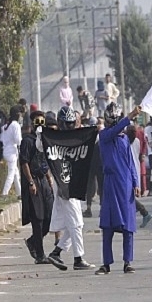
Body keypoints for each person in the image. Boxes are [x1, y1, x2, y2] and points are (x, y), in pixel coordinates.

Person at [47, 106, 95, 271]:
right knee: (76, 223)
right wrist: (46, 134)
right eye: (65, 124)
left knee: (73, 224)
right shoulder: (54, 138)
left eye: (70, 123)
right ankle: (78, 258)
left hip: (73, 183)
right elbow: (41, 146)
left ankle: (57, 252)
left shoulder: (75, 138)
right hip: (64, 185)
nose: (68, 127)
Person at [95, 103, 141, 275]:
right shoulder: (104, 136)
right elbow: (114, 130)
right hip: (110, 184)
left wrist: (136, 183)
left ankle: (127, 262)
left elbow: (131, 164)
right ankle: (106, 264)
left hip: (126, 184)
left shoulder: (124, 141)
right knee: (107, 226)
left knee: (128, 227)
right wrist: (129, 116)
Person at [20, 111, 56, 265]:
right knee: (38, 218)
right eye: (37, 122)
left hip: (44, 180)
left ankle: (33, 241)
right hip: (33, 181)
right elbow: (24, 162)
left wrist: (49, 178)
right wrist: (30, 182)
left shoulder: (44, 140)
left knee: (49, 217)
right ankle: (40, 255)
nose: (40, 125)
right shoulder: (27, 141)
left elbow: (45, 160)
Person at [125, 125, 152, 228]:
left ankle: (143, 212)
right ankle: (141, 212)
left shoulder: (126, 141)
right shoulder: (136, 141)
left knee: (128, 195)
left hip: (130, 170)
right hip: (135, 168)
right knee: (129, 195)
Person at [0, 105, 23, 197]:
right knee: (11, 173)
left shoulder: (6, 126)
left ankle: (19, 193)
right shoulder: (15, 125)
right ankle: (4, 193)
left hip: (6, 150)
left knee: (16, 173)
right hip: (12, 151)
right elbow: (18, 140)